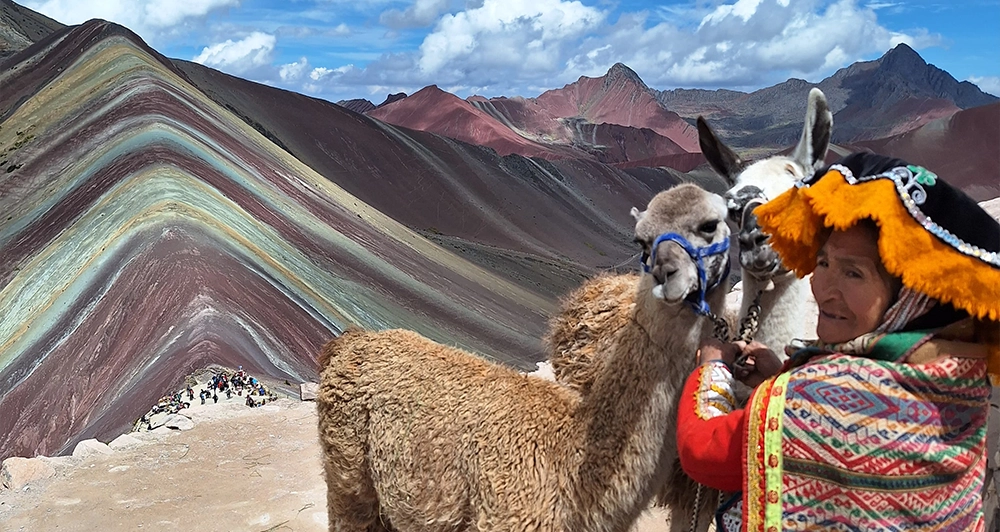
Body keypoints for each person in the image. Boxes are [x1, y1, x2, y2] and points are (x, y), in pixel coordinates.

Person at [675, 152, 1000, 531]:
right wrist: (778, 379)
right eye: (824, 262)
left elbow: (703, 451)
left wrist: (711, 369)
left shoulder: (816, 399)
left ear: (912, 296)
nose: (825, 287)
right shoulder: (959, 380)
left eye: (854, 273)